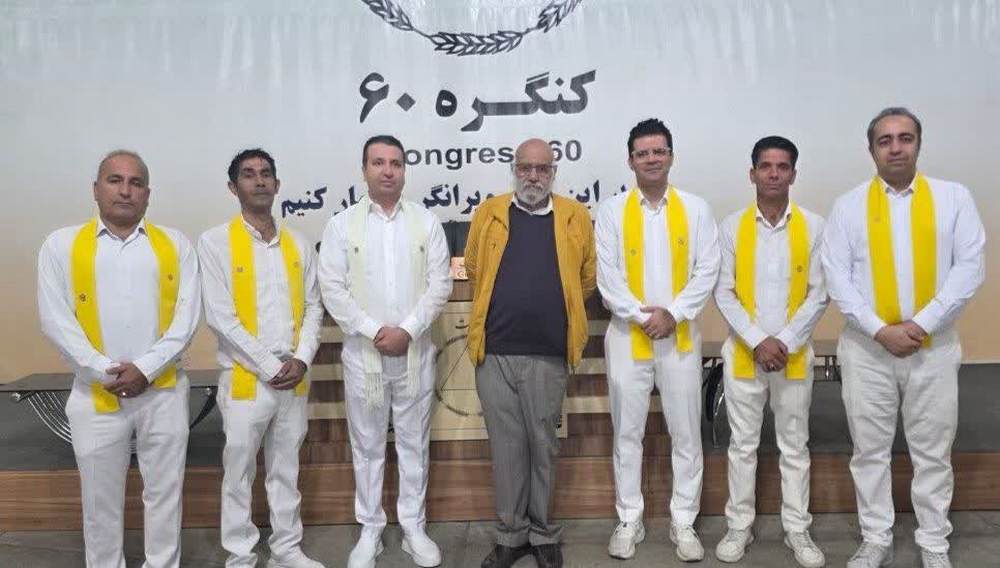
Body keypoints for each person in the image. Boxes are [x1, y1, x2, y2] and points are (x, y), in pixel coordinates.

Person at [822, 107, 985, 568]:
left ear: (918, 143)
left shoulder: (954, 198)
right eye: (885, 140)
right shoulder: (848, 206)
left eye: (905, 138)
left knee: (933, 451)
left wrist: (919, 326)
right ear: (871, 149)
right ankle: (876, 538)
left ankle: (934, 541)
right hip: (867, 349)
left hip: (932, 348)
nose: (895, 148)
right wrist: (880, 331)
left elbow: (969, 269)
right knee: (869, 451)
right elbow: (837, 278)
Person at [37, 150, 201, 567]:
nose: (125, 190)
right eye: (115, 180)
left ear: (148, 194)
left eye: (135, 182)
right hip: (96, 395)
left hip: (163, 393)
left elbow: (186, 320)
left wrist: (145, 369)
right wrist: (102, 371)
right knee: (100, 502)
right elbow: (56, 320)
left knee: (165, 496)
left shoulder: (175, 245)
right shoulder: (61, 246)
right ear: (96, 189)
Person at [318, 135, 452, 568]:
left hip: (414, 356)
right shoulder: (342, 226)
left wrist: (407, 331)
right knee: (368, 446)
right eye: (378, 162)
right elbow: (332, 289)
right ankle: (371, 529)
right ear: (364, 170)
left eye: (395, 163)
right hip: (365, 358)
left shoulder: (426, 222)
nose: (388, 171)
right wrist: (376, 331)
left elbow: (439, 285)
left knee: (414, 444)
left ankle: (413, 527)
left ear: (404, 170)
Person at [464, 138, 596, 568]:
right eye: (525, 168)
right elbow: (474, 267)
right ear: (514, 170)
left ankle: (542, 534)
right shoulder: (490, 212)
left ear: (554, 173)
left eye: (542, 169)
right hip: (495, 353)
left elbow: (586, 278)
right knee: (506, 449)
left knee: (543, 445)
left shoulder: (574, 216)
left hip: (548, 354)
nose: (533, 176)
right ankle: (510, 536)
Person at [596, 118, 720, 562]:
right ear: (630, 160)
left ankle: (683, 521)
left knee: (685, 433)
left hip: (679, 338)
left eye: (658, 151)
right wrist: (642, 316)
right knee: (627, 434)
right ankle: (629, 519)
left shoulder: (696, 209)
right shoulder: (611, 211)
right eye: (642, 153)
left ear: (671, 156)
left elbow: (707, 269)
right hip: (627, 339)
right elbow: (607, 278)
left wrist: (675, 314)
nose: (651, 159)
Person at [198, 148, 325, 568]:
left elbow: (313, 308)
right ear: (233, 187)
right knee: (239, 472)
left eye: (266, 173)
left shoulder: (298, 243)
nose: (259, 180)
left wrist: (301, 360)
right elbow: (221, 318)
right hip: (246, 379)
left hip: (293, 379)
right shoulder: (215, 243)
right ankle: (240, 555)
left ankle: (287, 549)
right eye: (249, 174)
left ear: (277, 184)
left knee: (286, 470)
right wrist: (270, 367)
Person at [713, 136, 828, 567]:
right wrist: (758, 340)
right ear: (753, 173)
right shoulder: (732, 227)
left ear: (794, 174)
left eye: (782, 167)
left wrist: (786, 341)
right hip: (745, 354)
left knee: (794, 446)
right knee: (742, 445)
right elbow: (723, 292)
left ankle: (797, 529)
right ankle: (739, 526)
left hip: (793, 356)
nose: (774, 174)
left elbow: (820, 293)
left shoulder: (814, 226)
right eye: (766, 166)